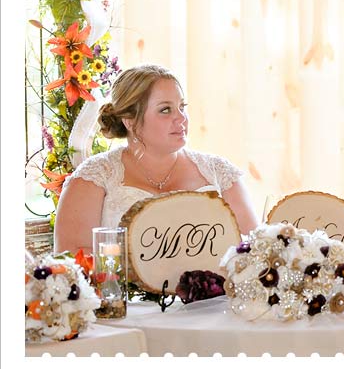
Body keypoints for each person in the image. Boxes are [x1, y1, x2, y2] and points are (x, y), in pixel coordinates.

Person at [54, 64, 260, 254]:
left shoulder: (220, 173)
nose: (181, 118)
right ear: (130, 121)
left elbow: (255, 252)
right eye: (165, 109)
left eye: (182, 106)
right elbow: (73, 262)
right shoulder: (94, 177)